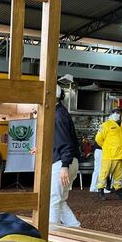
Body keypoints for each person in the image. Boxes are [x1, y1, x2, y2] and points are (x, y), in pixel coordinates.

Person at [34, 85, 81, 227]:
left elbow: (66, 143)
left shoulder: (58, 115)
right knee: (59, 201)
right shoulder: (58, 113)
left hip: (63, 163)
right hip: (67, 161)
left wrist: (64, 165)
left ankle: (52, 235)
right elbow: (58, 141)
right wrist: (40, 148)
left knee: (53, 200)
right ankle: (75, 228)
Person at [95, 107, 122, 200]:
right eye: (114, 112)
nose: (116, 114)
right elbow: (98, 139)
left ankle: (118, 191)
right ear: (111, 113)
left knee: (119, 174)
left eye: (118, 112)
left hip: (120, 155)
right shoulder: (106, 125)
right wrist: (106, 147)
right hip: (109, 155)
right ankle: (101, 191)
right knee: (104, 173)